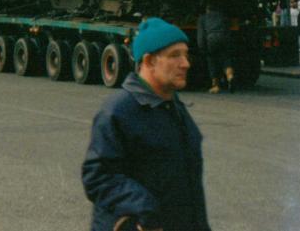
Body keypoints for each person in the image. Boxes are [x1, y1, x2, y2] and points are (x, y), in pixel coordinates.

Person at [82, 18, 211, 231]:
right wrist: (146, 209)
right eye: (175, 55)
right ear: (149, 61)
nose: (186, 63)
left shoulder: (173, 106)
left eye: (186, 54)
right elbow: (98, 177)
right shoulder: (119, 111)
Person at [197, 6, 234, 94]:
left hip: (212, 39)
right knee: (225, 59)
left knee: (212, 61)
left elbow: (201, 35)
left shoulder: (203, 18)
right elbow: (228, 30)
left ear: (207, 9)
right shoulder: (223, 16)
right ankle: (230, 76)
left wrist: (202, 47)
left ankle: (215, 86)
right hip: (224, 39)